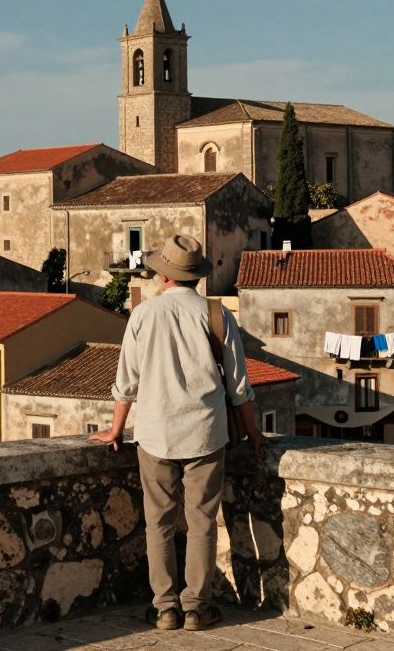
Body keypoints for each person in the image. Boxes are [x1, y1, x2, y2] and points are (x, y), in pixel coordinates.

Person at [89, 234, 264, 632]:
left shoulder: (142, 316)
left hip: (155, 434)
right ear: (197, 277)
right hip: (205, 432)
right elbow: (238, 386)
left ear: (163, 274)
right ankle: (196, 609)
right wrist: (253, 433)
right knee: (202, 522)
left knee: (159, 523)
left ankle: (165, 607)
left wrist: (116, 429)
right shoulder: (218, 315)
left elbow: (126, 383)